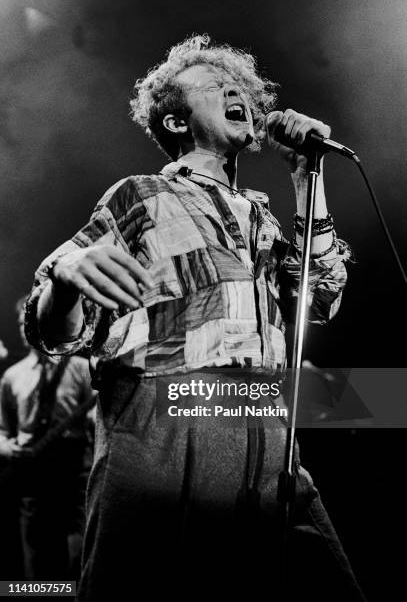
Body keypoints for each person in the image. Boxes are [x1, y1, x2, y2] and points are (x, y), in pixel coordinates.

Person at [24, 35, 365, 600]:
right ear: (178, 122)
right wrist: (65, 278)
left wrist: (309, 181)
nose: (237, 91)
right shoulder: (142, 196)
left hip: (268, 432)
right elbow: (57, 332)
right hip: (164, 427)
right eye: (215, 85)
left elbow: (322, 295)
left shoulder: (264, 219)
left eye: (241, 88)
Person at [0, 296, 95, 581]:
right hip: (32, 474)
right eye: (21, 323)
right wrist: (7, 448)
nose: (25, 328)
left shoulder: (81, 369)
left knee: (78, 553)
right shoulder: (11, 377)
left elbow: (97, 423)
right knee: (37, 556)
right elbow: (3, 430)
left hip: (73, 473)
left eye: (33, 321)